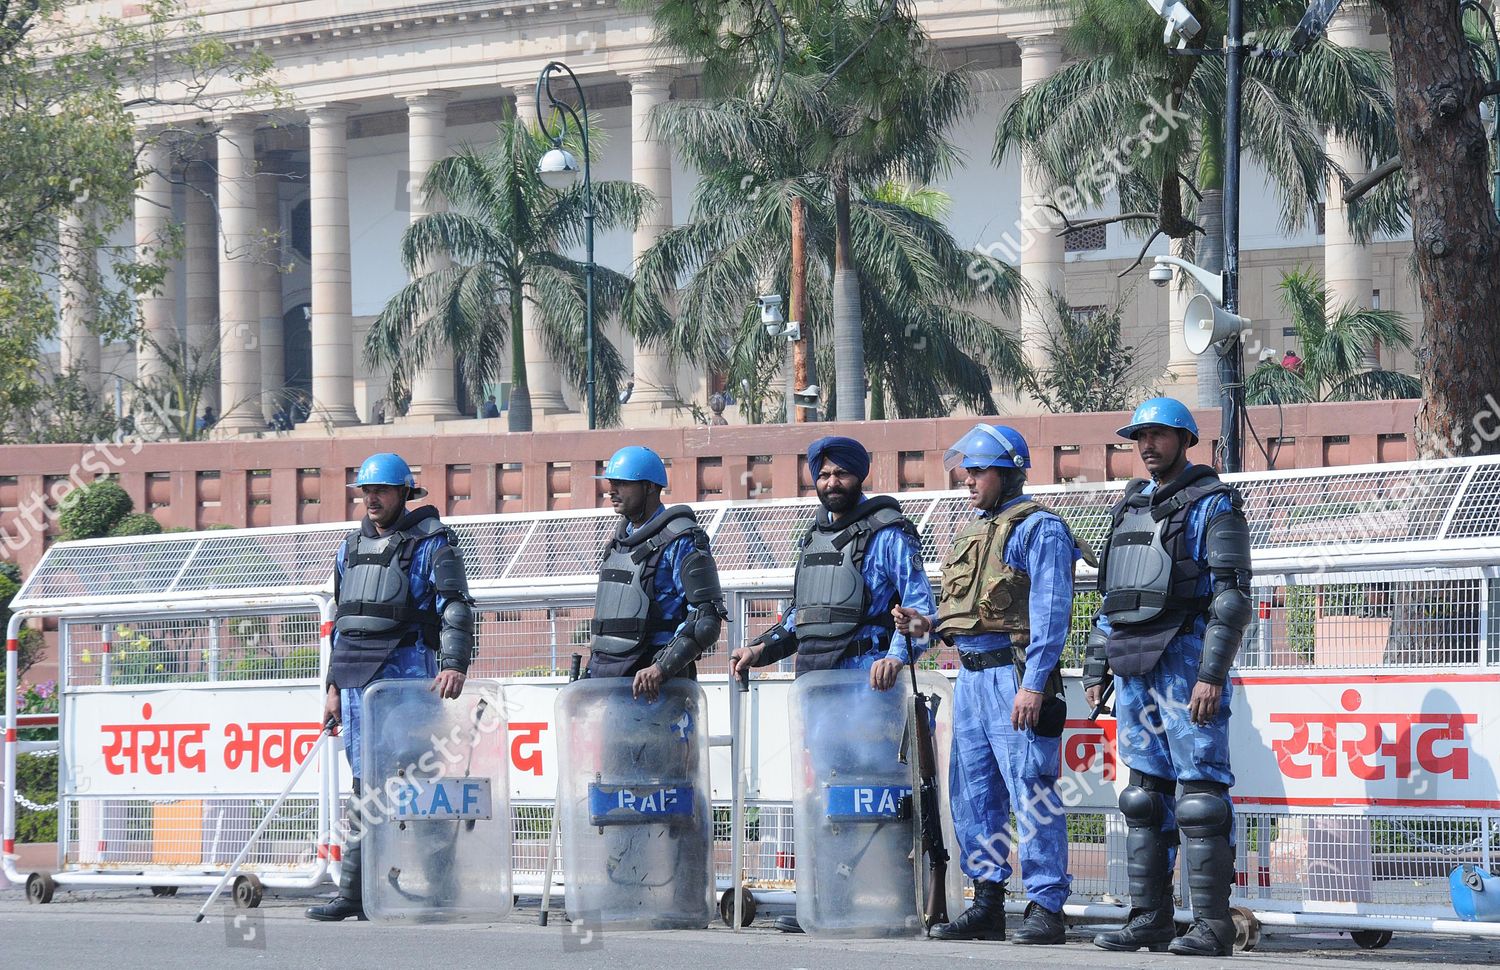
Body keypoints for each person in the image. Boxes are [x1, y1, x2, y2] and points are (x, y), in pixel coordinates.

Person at [729, 435, 935, 934]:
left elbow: (920, 610)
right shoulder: (813, 537)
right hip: (818, 689)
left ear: (859, 475)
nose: (830, 483)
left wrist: (894, 655)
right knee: (827, 798)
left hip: (869, 688)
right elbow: (803, 616)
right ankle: (827, 903)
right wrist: (760, 648)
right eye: (822, 475)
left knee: (879, 799)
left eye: (840, 473)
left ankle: (894, 902)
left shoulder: (887, 533)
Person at [894, 424, 1089, 946]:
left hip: (1017, 675)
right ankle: (988, 902)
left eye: (978, 471)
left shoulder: (1040, 528)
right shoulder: (975, 530)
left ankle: (1047, 905)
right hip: (973, 679)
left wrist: (1034, 683)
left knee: (1032, 790)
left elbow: (1051, 612)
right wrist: (926, 626)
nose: (968, 480)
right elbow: (966, 611)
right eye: (968, 471)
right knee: (973, 794)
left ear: (1007, 472)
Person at [1083, 398, 1252, 957]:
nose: (1148, 446)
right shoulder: (1129, 506)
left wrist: (1211, 674)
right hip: (1134, 662)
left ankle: (1212, 925)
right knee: (1143, 797)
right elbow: (1111, 596)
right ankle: (1149, 918)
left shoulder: (1215, 504)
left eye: (1159, 435)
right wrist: (1095, 664)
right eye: (1141, 437)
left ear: (1185, 439)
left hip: (1186, 660)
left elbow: (1231, 602)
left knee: (1200, 796)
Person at [306, 452, 476, 922]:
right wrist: (333, 688)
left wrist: (455, 662)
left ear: (405, 493)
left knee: (417, 780)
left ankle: (443, 888)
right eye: (366, 491)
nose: (372, 499)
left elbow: (456, 607)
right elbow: (342, 622)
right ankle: (354, 895)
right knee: (364, 785)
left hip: (406, 674)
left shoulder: (433, 543)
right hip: (356, 680)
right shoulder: (348, 546)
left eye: (380, 491)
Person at [586, 445, 727, 696]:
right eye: (611, 483)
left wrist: (661, 668)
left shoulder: (681, 540)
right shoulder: (618, 544)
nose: (611, 491)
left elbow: (706, 620)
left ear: (650, 487)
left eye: (622, 483)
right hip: (608, 676)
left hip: (657, 682)